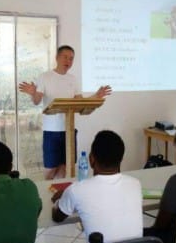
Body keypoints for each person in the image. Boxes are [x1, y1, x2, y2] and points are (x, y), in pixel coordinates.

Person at [51, 130, 142, 243]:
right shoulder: (135, 184)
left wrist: (60, 199)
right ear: (121, 159)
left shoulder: (76, 189)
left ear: (91, 159)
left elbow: (57, 217)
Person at [18, 45, 112, 180]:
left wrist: (96, 95)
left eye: (71, 59)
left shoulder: (72, 79)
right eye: (65, 57)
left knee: (64, 167)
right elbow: (37, 101)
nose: (68, 61)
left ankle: (59, 196)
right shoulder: (45, 77)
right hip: (52, 131)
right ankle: (43, 195)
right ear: (57, 58)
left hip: (69, 129)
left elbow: (80, 103)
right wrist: (33, 93)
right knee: (50, 169)